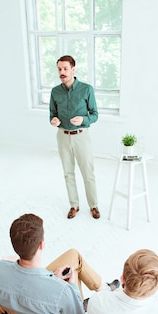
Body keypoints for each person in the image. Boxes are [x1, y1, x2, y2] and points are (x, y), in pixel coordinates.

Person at [0, 213, 119, 314]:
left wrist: (53, 280)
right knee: (72, 271)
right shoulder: (61, 290)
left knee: (73, 255)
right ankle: (99, 291)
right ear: (41, 245)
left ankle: (102, 288)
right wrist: (72, 285)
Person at [50, 55, 100, 220]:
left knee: (88, 172)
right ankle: (74, 205)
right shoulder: (55, 92)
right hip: (63, 137)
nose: (62, 72)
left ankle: (93, 205)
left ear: (73, 69)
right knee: (68, 172)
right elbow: (52, 114)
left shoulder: (86, 89)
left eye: (65, 69)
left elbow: (94, 115)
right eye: (59, 69)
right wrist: (54, 120)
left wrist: (83, 120)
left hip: (81, 136)